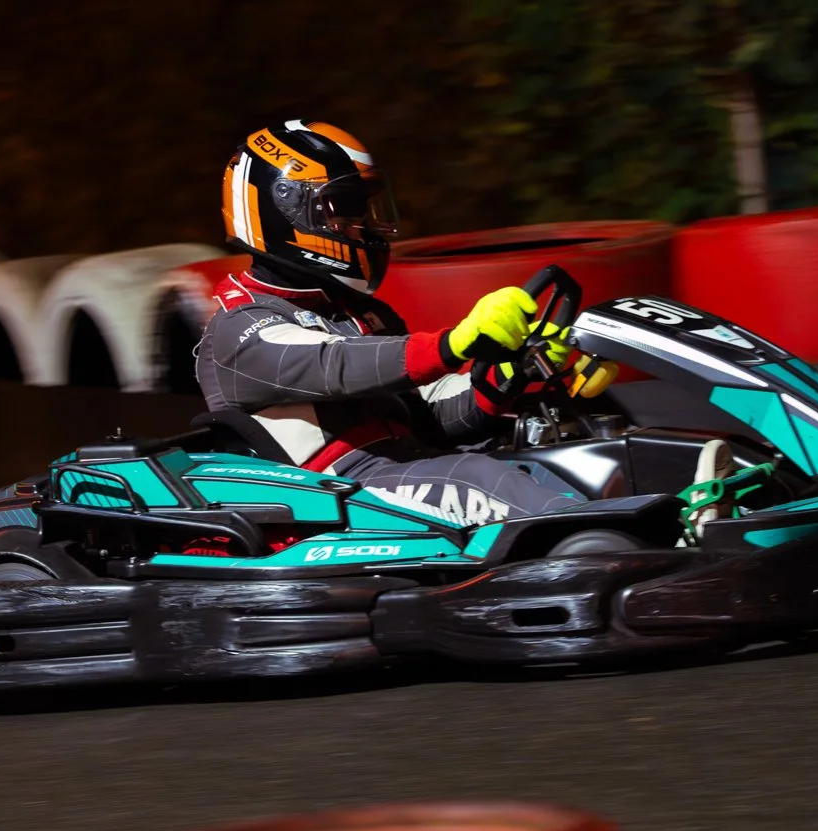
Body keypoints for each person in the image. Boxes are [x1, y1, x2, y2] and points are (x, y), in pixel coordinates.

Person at [195, 118, 632, 527]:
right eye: (342, 210)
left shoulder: (356, 312)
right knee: (476, 477)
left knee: (555, 454)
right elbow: (336, 363)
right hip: (335, 494)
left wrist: (513, 372)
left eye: (362, 210)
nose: (360, 227)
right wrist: (454, 343)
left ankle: (635, 522)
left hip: (404, 464)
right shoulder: (239, 327)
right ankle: (604, 542)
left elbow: (432, 416)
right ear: (283, 210)